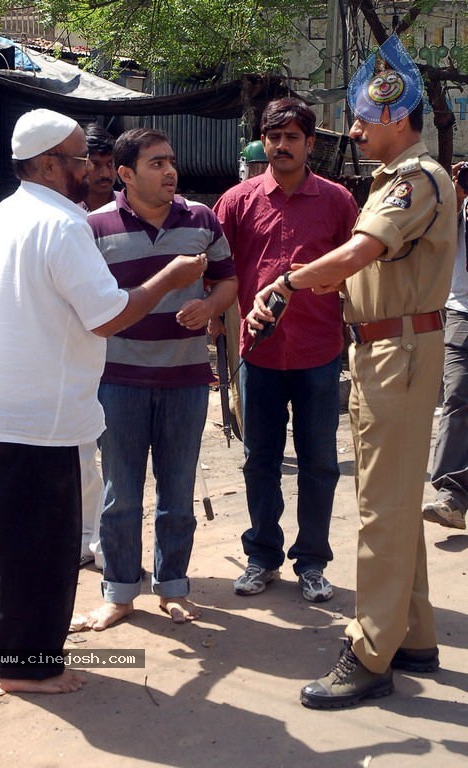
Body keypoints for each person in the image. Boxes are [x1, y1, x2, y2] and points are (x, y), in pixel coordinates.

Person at [0, 109, 207, 695]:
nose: (91, 168)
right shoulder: (64, 225)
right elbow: (109, 315)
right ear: (46, 165)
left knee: (5, 540)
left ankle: (14, 647)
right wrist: (168, 279)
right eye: (78, 159)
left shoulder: (6, 214)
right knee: (42, 545)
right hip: (33, 413)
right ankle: (29, 668)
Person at [246, 35, 457, 708]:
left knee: (380, 510)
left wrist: (282, 285)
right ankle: (414, 634)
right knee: (393, 502)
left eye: (364, 118)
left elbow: (355, 255)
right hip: (382, 348)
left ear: (397, 116)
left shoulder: (414, 180)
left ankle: (370, 652)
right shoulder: (396, 181)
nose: (356, 129)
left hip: (398, 351)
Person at [87, 127, 237, 629]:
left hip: (186, 379)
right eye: (156, 163)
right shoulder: (95, 228)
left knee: (177, 492)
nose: (169, 170)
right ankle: (120, 591)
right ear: (124, 174)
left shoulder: (201, 219)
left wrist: (210, 304)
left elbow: (228, 280)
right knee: (121, 494)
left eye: (170, 161)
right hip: (118, 381)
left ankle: (172, 586)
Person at [213, 99, 358, 602]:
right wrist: (215, 320)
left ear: (310, 144)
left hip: (320, 353)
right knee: (260, 461)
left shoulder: (338, 201)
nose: (281, 146)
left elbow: (355, 269)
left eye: (292, 137)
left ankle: (313, 561)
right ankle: (262, 555)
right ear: (263, 141)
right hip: (258, 356)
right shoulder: (237, 201)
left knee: (319, 463)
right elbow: (218, 270)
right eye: (273, 137)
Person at [78, 123, 118, 569]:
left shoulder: (126, 211)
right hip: (75, 351)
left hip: (121, 349)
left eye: (110, 164)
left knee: (116, 454)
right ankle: (85, 535)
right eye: (96, 164)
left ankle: (107, 539)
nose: (104, 173)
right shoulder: (66, 215)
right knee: (80, 451)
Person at [422, 162, 468, 531]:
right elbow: (436, 240)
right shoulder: (459, 204)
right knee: (456, 399)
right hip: (462, 315)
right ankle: (451, 495)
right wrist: (457, 195)